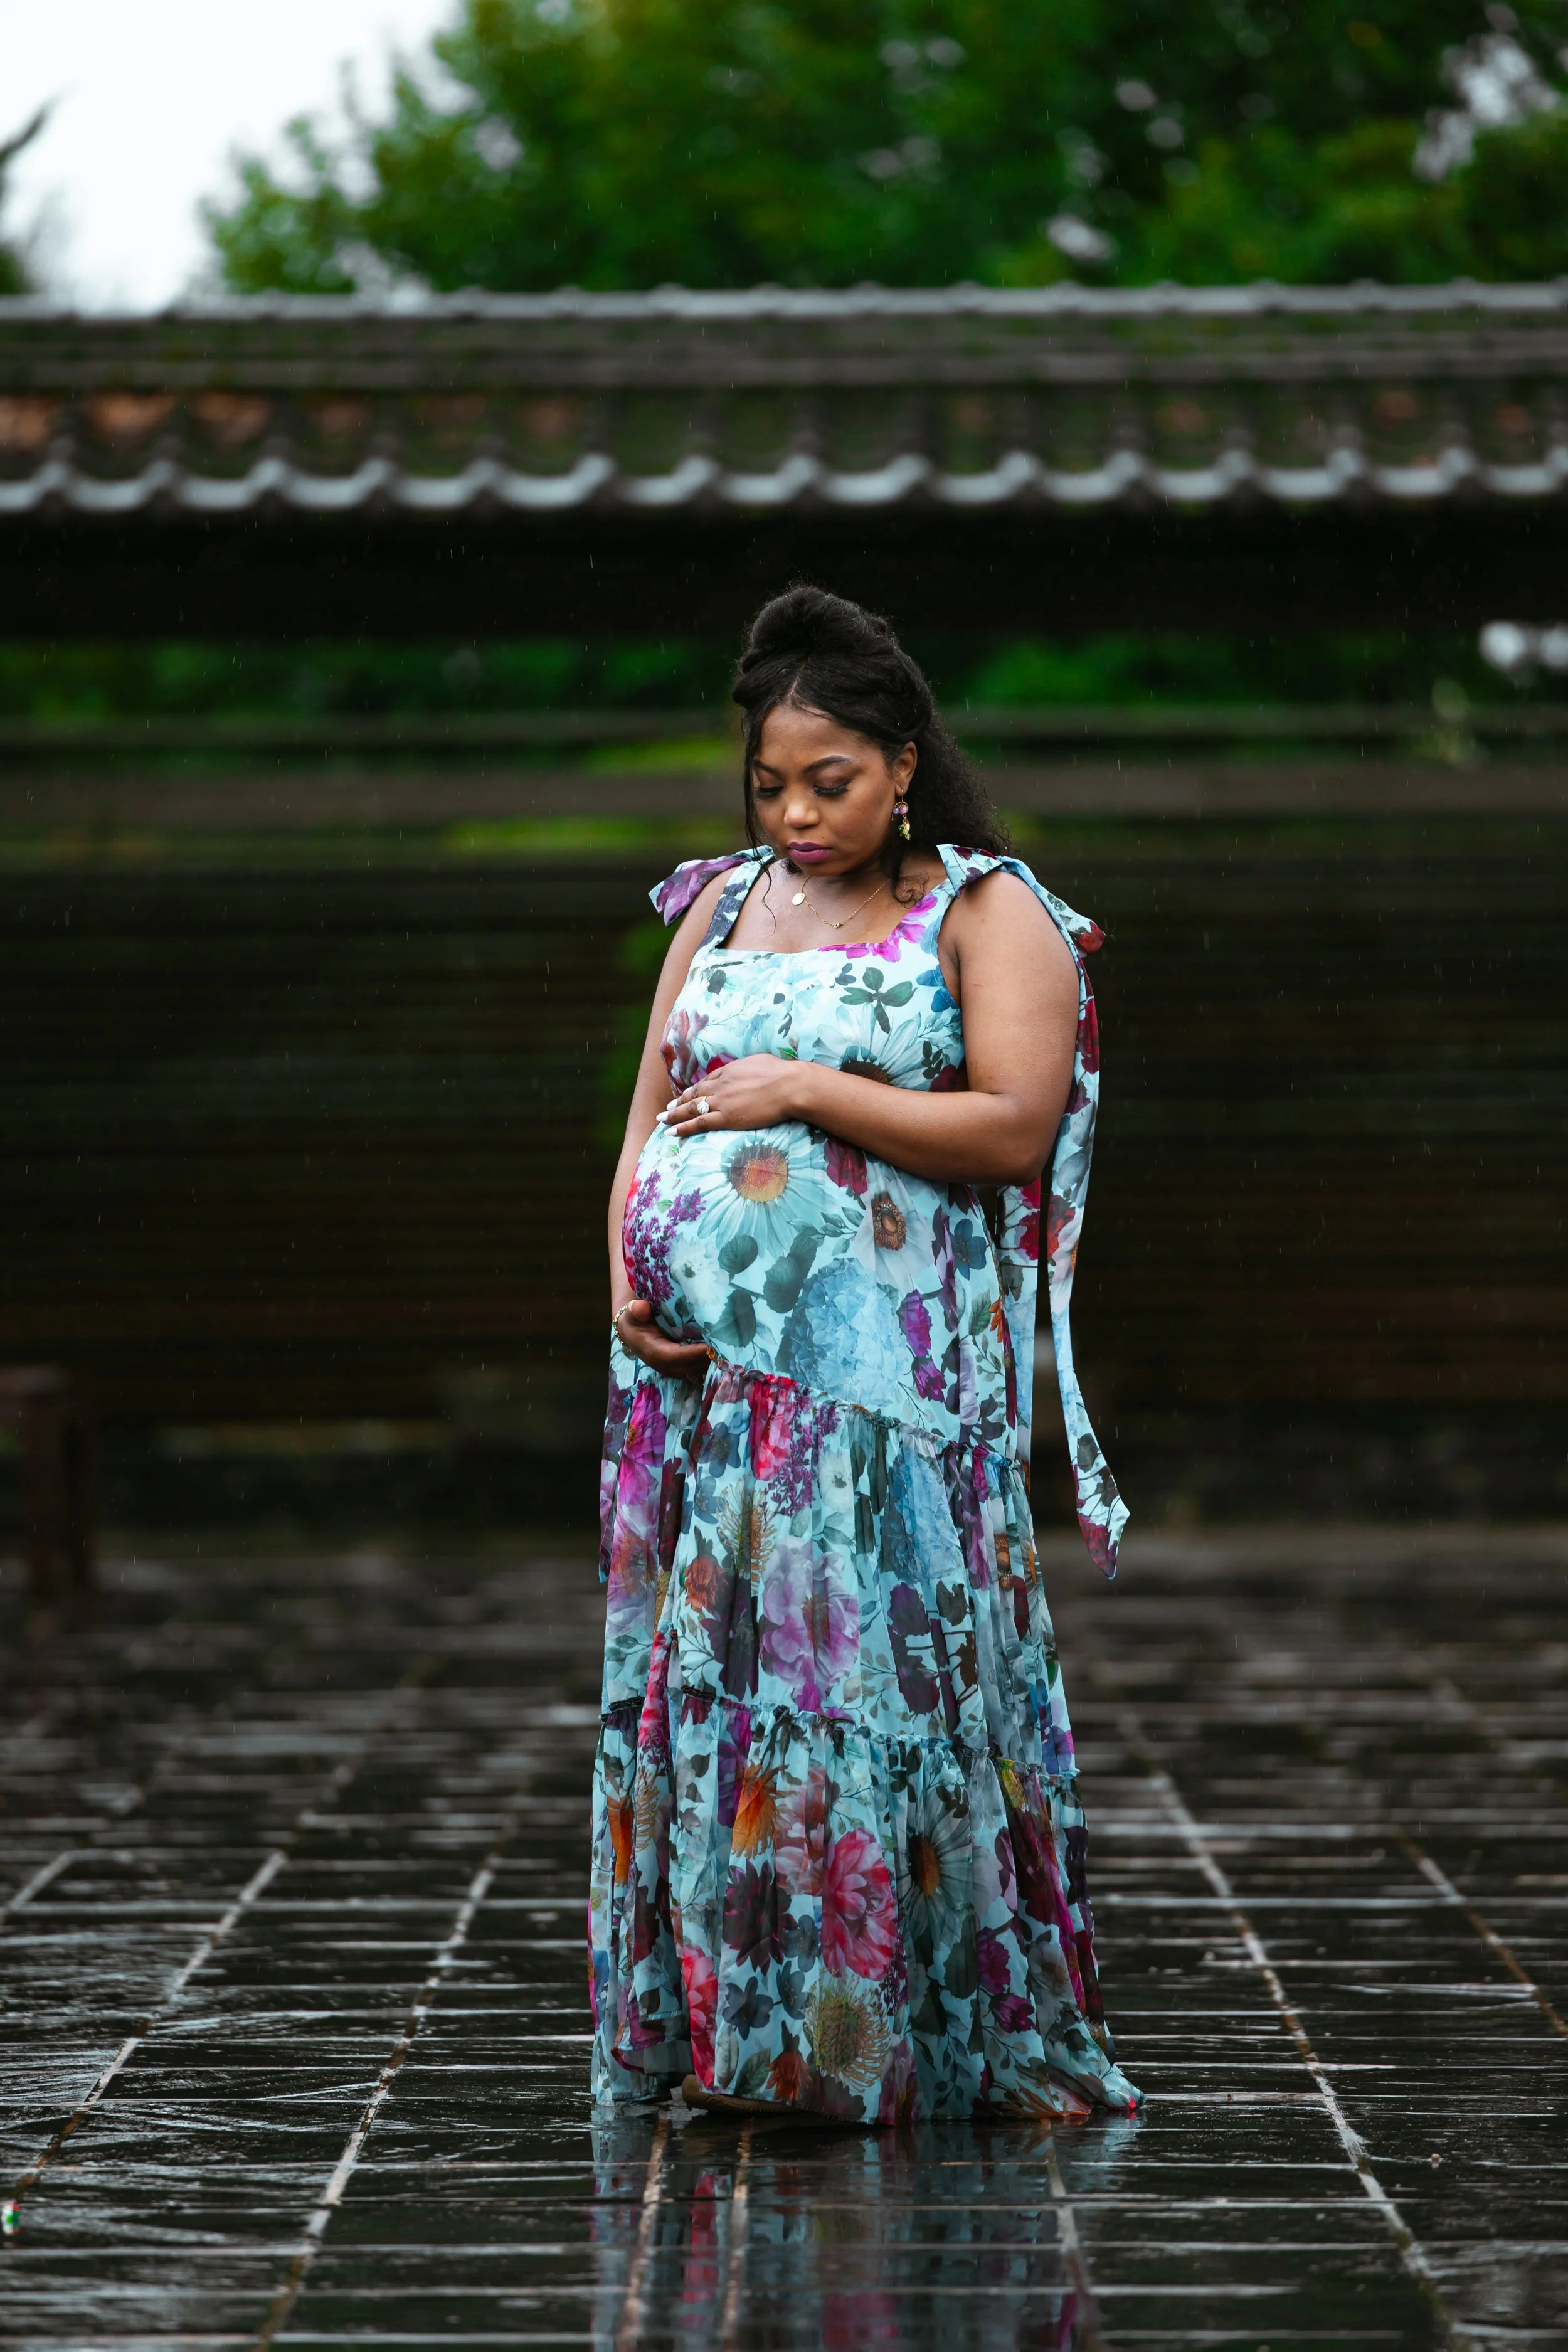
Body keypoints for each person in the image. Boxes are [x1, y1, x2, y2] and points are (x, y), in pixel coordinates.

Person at [589, 586, 1139, 2126]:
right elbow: (648, 1115)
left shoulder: (983, 909)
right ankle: (738, 2036)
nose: (794, 812)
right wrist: (619, 1270)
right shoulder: (714, 904)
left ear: (902, 761)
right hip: (699, 1403)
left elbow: (1011, 1122)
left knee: (864, 1686)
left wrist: (806, 1092)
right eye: (769, 784)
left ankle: (881, 2039)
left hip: (884, 1409)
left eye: (827, 780)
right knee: (717, 1692)